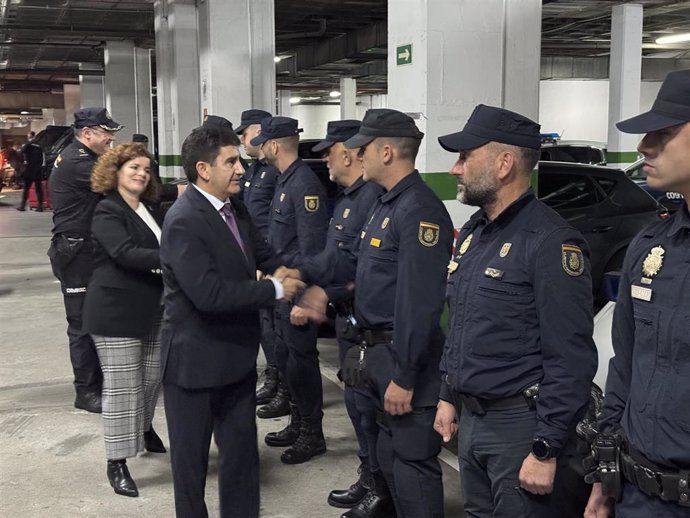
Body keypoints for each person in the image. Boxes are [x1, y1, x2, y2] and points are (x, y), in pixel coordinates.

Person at [433, 104, 598, 518]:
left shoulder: (550, 242)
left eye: (465, 157)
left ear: (504, 164)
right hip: (472, 421)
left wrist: (545, 448)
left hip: (520, 429)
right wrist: (448, 395)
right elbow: (464, 326)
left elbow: (570, 358)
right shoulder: (474, 233)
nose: (456, 169)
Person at [297, 109, 453, 517]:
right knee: (389, 459)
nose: (356, 154)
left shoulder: (419, 210)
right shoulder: (385, 205)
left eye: (362, 148)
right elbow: (359, 272)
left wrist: (405, 376)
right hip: (375, 354)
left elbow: (420, 304)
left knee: (413, 466)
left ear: (386, 152)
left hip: (402, 361)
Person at [159, 125, 304, 518]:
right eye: (231, 161)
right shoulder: (184, 220)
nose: (241, 169)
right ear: (204, 169)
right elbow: (208, 295)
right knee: (190, 468)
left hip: (236, 360)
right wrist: (274, 290)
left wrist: (296, 275)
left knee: (242, 461)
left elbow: (264, 254)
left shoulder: (234, 208)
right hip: (194, 365)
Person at [584, 69, 690, 518]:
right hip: (639, 494)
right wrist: (606, 470)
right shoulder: (651, 248)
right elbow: (625, 364)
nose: (644, 146)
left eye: (663, 134)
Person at [285, 119, 385, 511]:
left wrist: (323, 293)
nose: (325, 159)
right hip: (348, 322)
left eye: (329, 151)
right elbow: (332, 259)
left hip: (368, 324)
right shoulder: (347, 198)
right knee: (357, 407)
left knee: (369, 412)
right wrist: (303, 277)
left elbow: (367, 272)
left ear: (348, 153)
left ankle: (380, 486)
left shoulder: (371, 199)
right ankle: (369, 475)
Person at [81, 142, 167, 498]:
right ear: (115, 171)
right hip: (115, 311)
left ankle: (143, 428)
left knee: (150, 381)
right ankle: (117, 462)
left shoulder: (148, 209)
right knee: (122, 387)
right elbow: (123, 252)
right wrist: (173, 256)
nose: (141, 174)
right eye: (134, 167)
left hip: (153, 307)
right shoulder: (107, 210)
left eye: (146, 169)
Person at [250, 116, 329, 464]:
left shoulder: (303, 185)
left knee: (302, 362)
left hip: (297, 291)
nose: (260, 147)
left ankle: (313, 433)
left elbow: (312, 249)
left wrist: (303, 295)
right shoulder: (286, 180)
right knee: (289, 362)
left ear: (274, 145)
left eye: (263, 142)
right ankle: (298, 423)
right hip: (282, 287)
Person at [47, 107, 123, 413]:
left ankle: (97, 383)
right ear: (88, 133)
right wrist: (177, 191)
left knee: (95, 320)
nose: (111, 139)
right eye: (107, 134)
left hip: (85, 249)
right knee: (81, 325)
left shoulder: (83, 157)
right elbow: (123, 187)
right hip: (75, 252)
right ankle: (86, 391)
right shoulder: (79, 162)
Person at [235, 109, 281, 406]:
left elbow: (275, 222)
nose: (241, 139)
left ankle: (280, 381)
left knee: (276, 329)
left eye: (245, 133)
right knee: (265, 326)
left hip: (270, 260)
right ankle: (275, 377)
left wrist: (267, 265)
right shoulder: (253, 170)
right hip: (256, 259)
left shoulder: (275, 171)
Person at [17, 131, 45, 211]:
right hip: (38, 170)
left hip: (29, 170)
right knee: (38, 189)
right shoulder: (40, 146)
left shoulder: (28, 145)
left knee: (26, 188)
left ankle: (22, 206)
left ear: (29, 136)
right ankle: (40, 207)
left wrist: (23, 161)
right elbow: (42, 159)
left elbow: (20, 154)